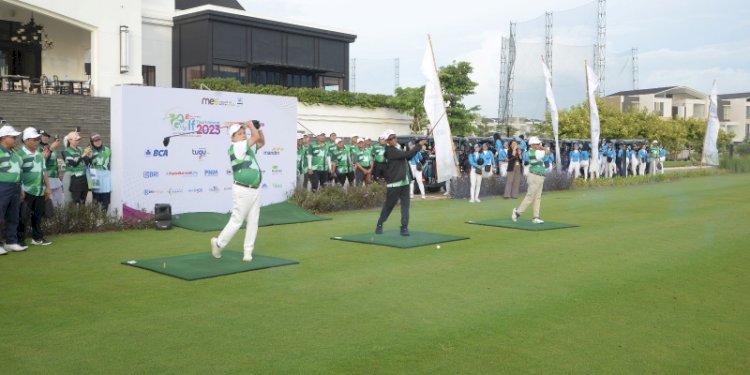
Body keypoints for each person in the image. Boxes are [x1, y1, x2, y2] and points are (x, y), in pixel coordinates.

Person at [211, 120, 264, 262]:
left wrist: (258, 128)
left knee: (253, 222)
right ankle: (218, 243)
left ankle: (248, 252)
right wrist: (251, 125)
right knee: (237, 220)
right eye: (239, 134)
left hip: (255, 190)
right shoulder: (237, 146)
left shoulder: (247, 147)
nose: (242, 135)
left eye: (243, 133)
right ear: (232, 138)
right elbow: (255, 138)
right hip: (242, 190)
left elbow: (261, 142)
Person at [375, 130, 426, 236]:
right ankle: (380, 224)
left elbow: (409, 157)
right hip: (394, 184)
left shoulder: (398, 148)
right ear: (387, 141)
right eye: (390, 138)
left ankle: (404, 227)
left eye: (394, 137)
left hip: (405, 182)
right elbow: (407, 154)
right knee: (389, 206)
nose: (393, 139)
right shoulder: (389, 151)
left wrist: (417, 147)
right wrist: (418, 145)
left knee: (405, 206)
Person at [17, 128, 52, 246]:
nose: (37, 142)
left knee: (37, 216)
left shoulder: (39, 154)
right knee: (23, 216)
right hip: (26, 190)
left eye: (38, 139)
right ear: (26, 140)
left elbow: (44, 171)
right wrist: (20, 190)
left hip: (40, 190)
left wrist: (48, 187)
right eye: (34, 139)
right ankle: (19, 240)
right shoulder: (19, 154)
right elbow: (18, 174)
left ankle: (37, 238)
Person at [0, 124, 28, 255]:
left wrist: (21, 188)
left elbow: (19, 170)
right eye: (13, 137)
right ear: (4, 137)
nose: (15, 139)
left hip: (15, 186)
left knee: (13, 216)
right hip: (2, 186)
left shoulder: (14, 152)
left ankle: (11, 242)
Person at [512, 136, 546, 224]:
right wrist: (543, 148)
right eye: (538, 144)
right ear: (533, 145)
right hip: (535, 177)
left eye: (539, 144)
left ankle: (536, 217)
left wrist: (540, 146)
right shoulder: (534, 153)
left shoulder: (533, 151)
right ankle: (517, 212)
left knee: (537, 198)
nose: (539, 145)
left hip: (539, 177)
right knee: (530, 196)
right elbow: (547, 151)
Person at [62, 131, 91, 205]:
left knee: (82, 201)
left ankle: (82, 216)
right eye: (76, 140)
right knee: (72, 202)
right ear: (70, 140)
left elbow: (87, 162)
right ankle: (72, 216)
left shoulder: (80, 149)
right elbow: (73, 163)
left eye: (79, 139)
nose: (78, 141)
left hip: (83, 178)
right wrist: (83, 155)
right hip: (73, 177)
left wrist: (89, 156)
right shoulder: (66, 151)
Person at [40, 131, 63, 206]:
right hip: (46, 177)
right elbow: (42, 160)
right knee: (48, 202)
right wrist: (51, 149)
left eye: (47, 136)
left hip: (55, 177)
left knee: (58, 201)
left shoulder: (51, 146)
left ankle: (57, 216)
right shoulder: (38, 148)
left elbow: (55, 163)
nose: (45, 138)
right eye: (43, 136)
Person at [89, 133, 112, 210]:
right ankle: (94, 218)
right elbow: (86, 163)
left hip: (105, 175)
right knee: (95, 197)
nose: (98, 142)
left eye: (99, 139)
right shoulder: (89, 150)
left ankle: (104, 217)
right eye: (95, 141)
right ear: (92, 142)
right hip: (94, 175)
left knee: (106, 197)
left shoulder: (107, 150)